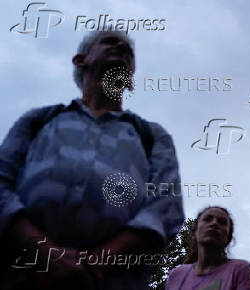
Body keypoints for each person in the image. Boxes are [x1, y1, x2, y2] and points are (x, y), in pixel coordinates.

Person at [0, 29, 184, 290]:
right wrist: (41, 251)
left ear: (130, 78)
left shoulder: (152, 136)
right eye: (110, 42)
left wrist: (95, 264)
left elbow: (166, 207)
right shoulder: (38, 121)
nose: (120, 47)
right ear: (80, 60)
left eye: (127, 50)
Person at [166, 206, 250, 290]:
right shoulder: (176, 275)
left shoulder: (240, 269)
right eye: (207, 219)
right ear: (194, 233)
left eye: (222, 222)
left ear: (228, 238)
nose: (214, 223)